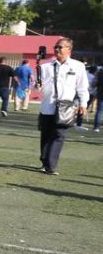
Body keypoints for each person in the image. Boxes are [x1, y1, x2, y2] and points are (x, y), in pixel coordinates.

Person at [33, 38, 89, 174]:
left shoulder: (78, 66)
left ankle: (51, 166)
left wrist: (83, 104)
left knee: (59, 135)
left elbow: (82, 87)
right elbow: (36, 88)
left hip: (66, 107)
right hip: (47, 106)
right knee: (46, 136)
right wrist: (36, 85)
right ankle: (45, 161)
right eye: (56, 47)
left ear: (69, 49)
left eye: (60, 47)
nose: (57, 49)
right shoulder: (45, 66)